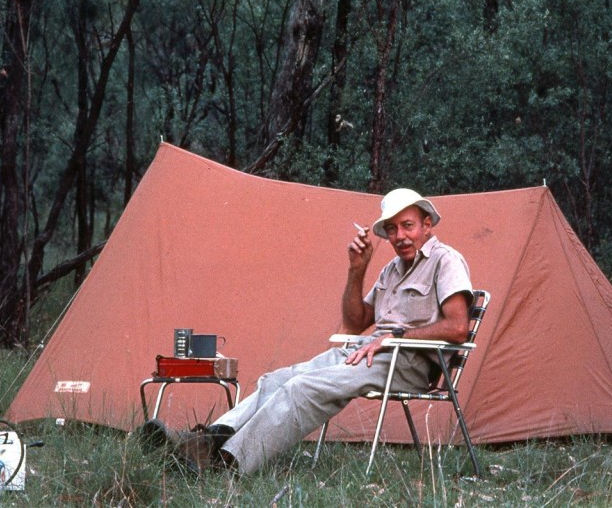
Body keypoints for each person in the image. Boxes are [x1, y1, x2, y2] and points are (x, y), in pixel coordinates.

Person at [138, 188, 473, 475]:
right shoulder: (392, 269)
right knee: (276, 380)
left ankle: (226, 462)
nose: (400, 236)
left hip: (407, 363)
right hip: (366, 351)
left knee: (302, 388)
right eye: (393, 229)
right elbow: (356, 322)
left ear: (427, 225)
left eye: (408, 226)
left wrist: (394, 339)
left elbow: (458, 328)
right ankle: (206, 440)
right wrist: (357, 270)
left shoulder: (446, 260)